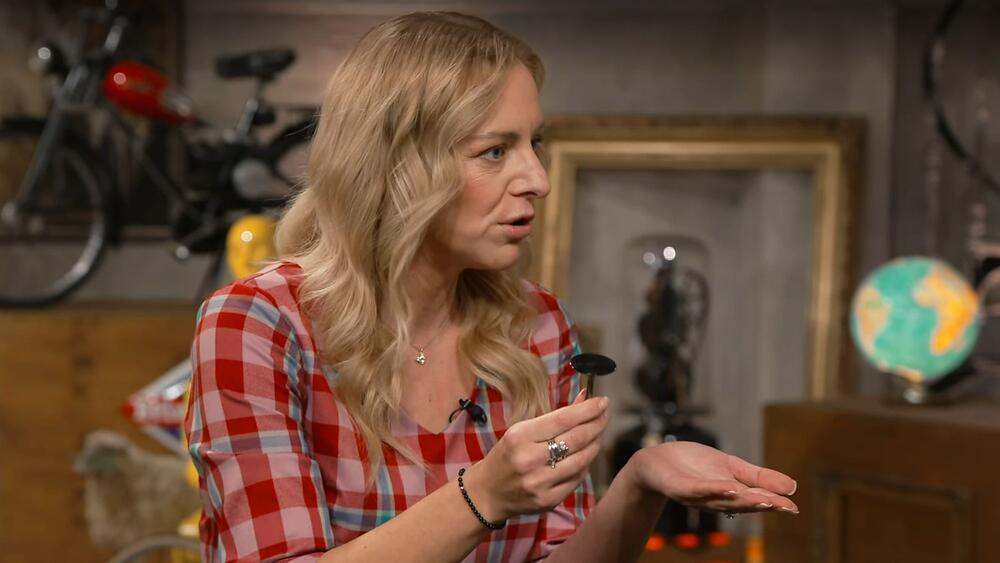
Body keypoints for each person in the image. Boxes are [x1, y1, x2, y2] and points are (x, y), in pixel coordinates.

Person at [184, 12, 798, 563]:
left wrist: (639, 484)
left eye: (535, 143)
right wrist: (482, 495)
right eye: (496, 151)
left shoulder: (537, 325)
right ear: (399, 167)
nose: (538, 179)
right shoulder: (259, 323)